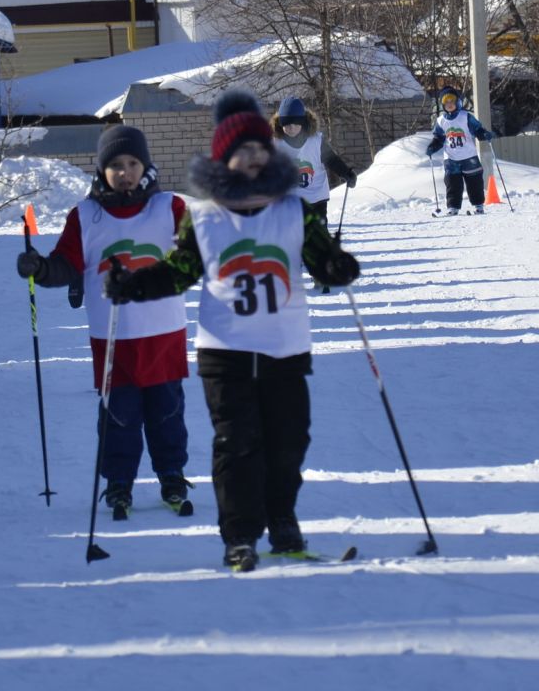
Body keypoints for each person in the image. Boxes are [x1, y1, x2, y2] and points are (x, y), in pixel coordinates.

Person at [104, 91, 361, 573]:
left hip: (286, 347)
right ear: (224, 161)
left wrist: (338, 265)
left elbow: (324, 261)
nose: (252, 159)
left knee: (289, 440)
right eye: (240, 152)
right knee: (238, 442)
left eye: (259, 151)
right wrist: (131, 286)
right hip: (228, 352)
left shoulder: (295, 211)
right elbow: (176, 273)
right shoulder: (204, 218)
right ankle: (239, 536)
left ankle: (282, 519)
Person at [16, 123, 193, 521]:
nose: (125, 171)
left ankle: (172, 474)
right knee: (119, 415)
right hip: (113, 337)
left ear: (145, 165)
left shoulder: (170, 208)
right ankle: (118, 482)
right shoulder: (86, 215)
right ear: (102, 170)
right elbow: (65, 265)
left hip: (163, 333)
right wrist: (40, 268)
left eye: (133, 162)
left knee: (167, 412)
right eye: (115, 164)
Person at [273, 96, 356, 225]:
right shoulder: (275, 144)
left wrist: (346, 173)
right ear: (280, 124)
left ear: (302, 122)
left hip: (316, 199)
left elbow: (331, 159)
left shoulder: (316, 141)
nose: (291, 128)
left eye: (295, 124)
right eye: (287, 124)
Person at [424, 85, 496, 215]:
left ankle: (478, 205)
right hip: (451, 159)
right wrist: (432, 146)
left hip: (469, 156)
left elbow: (478, 130)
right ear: (442, 105)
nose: (449, 104)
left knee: (474, 182)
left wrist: (484, 134)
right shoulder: (441, 121)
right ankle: (453, 207)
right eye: (446, 102)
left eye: (452, 101)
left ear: (457, 102)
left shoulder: (465, 117)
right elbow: (439, 138)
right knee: (452, 184)